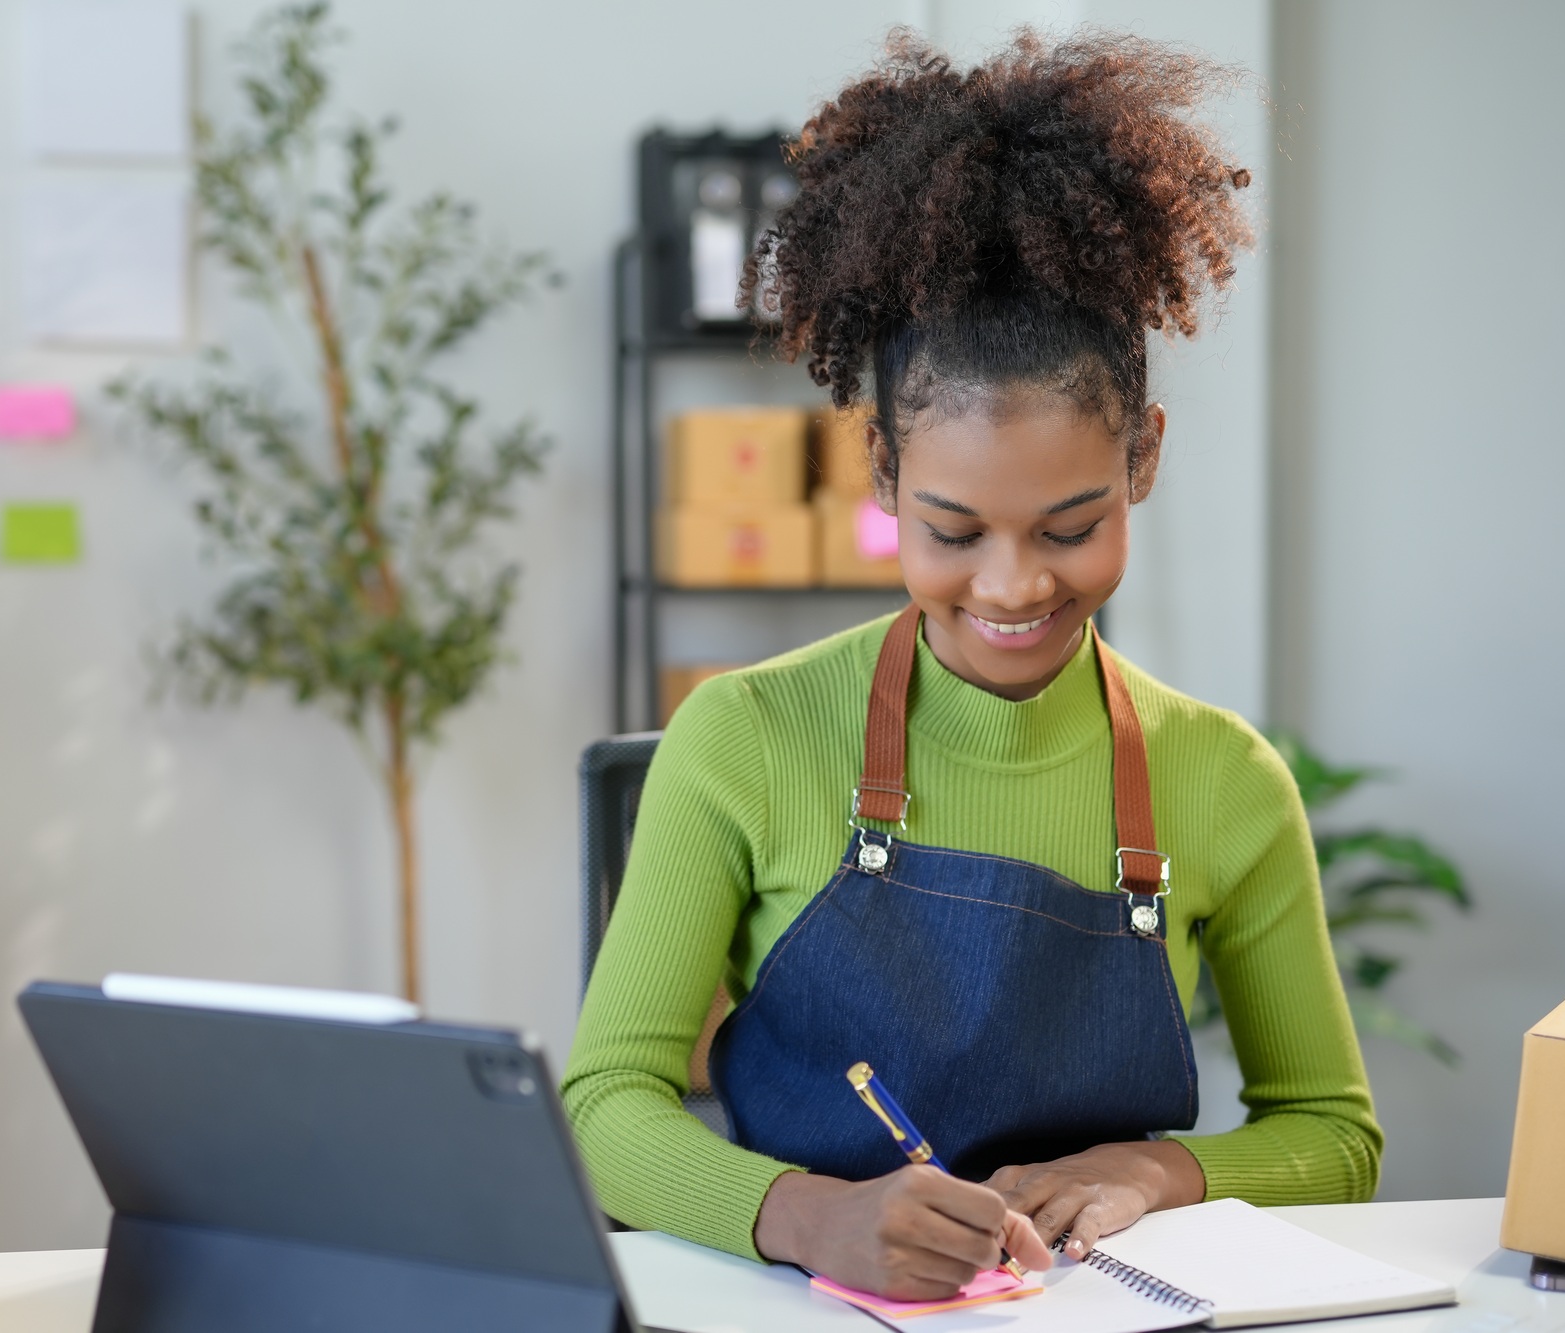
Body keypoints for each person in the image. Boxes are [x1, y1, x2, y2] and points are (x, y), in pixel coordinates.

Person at [562, 29, 1380, 1304]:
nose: (1011, 585)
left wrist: (1153, 1170)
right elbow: (605, 1101)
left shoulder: (1222, 777)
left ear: (1142, 459)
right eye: (951, 533)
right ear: (882, 472)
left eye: (1069, 528)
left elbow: (1332, 1134)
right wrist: (808, 1217)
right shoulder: (746, 736)